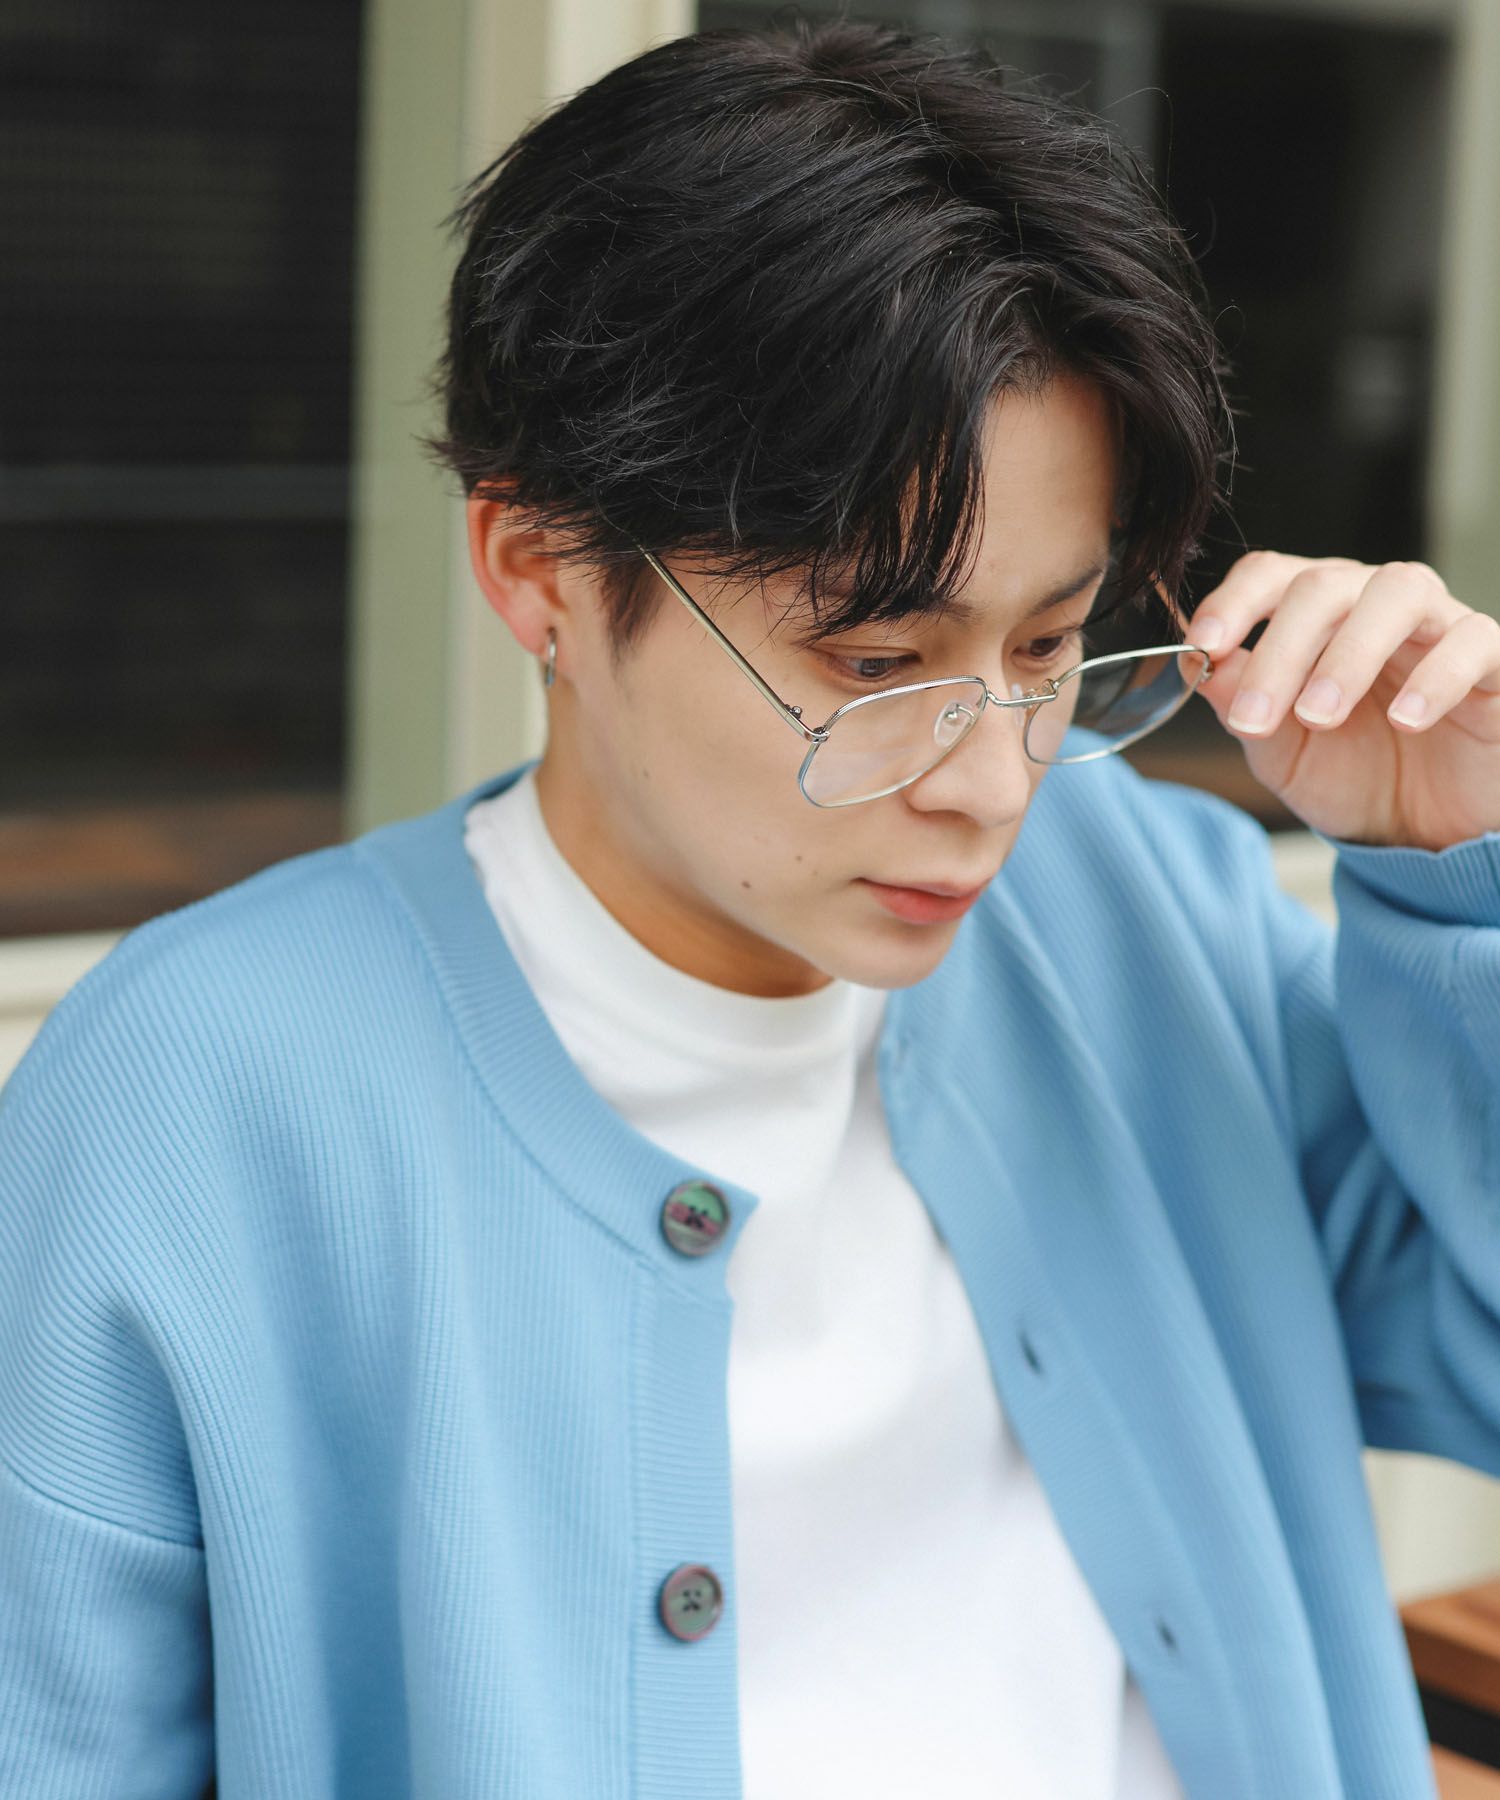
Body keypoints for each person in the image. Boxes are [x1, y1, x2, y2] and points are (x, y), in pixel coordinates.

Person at [2, 16, 1498, 1799]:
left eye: (1050, 645)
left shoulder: (1151, 921)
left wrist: (1462, 870)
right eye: (879, 664)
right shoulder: (194, 1105)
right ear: (539, 573)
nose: (993, 779)